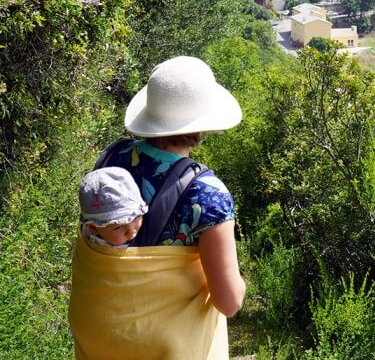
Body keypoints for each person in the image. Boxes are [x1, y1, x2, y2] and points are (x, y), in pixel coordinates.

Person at [69, 56, 246, 359]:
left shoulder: (113, 158)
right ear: (204, 123)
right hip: (163, 348)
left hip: (101, 339)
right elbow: (228, 303)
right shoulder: (207, 195)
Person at [78, 166, 147, 247]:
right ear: (94, 228)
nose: (131, 231)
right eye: (118, 227)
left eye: (135, 217)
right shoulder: (99, 247)